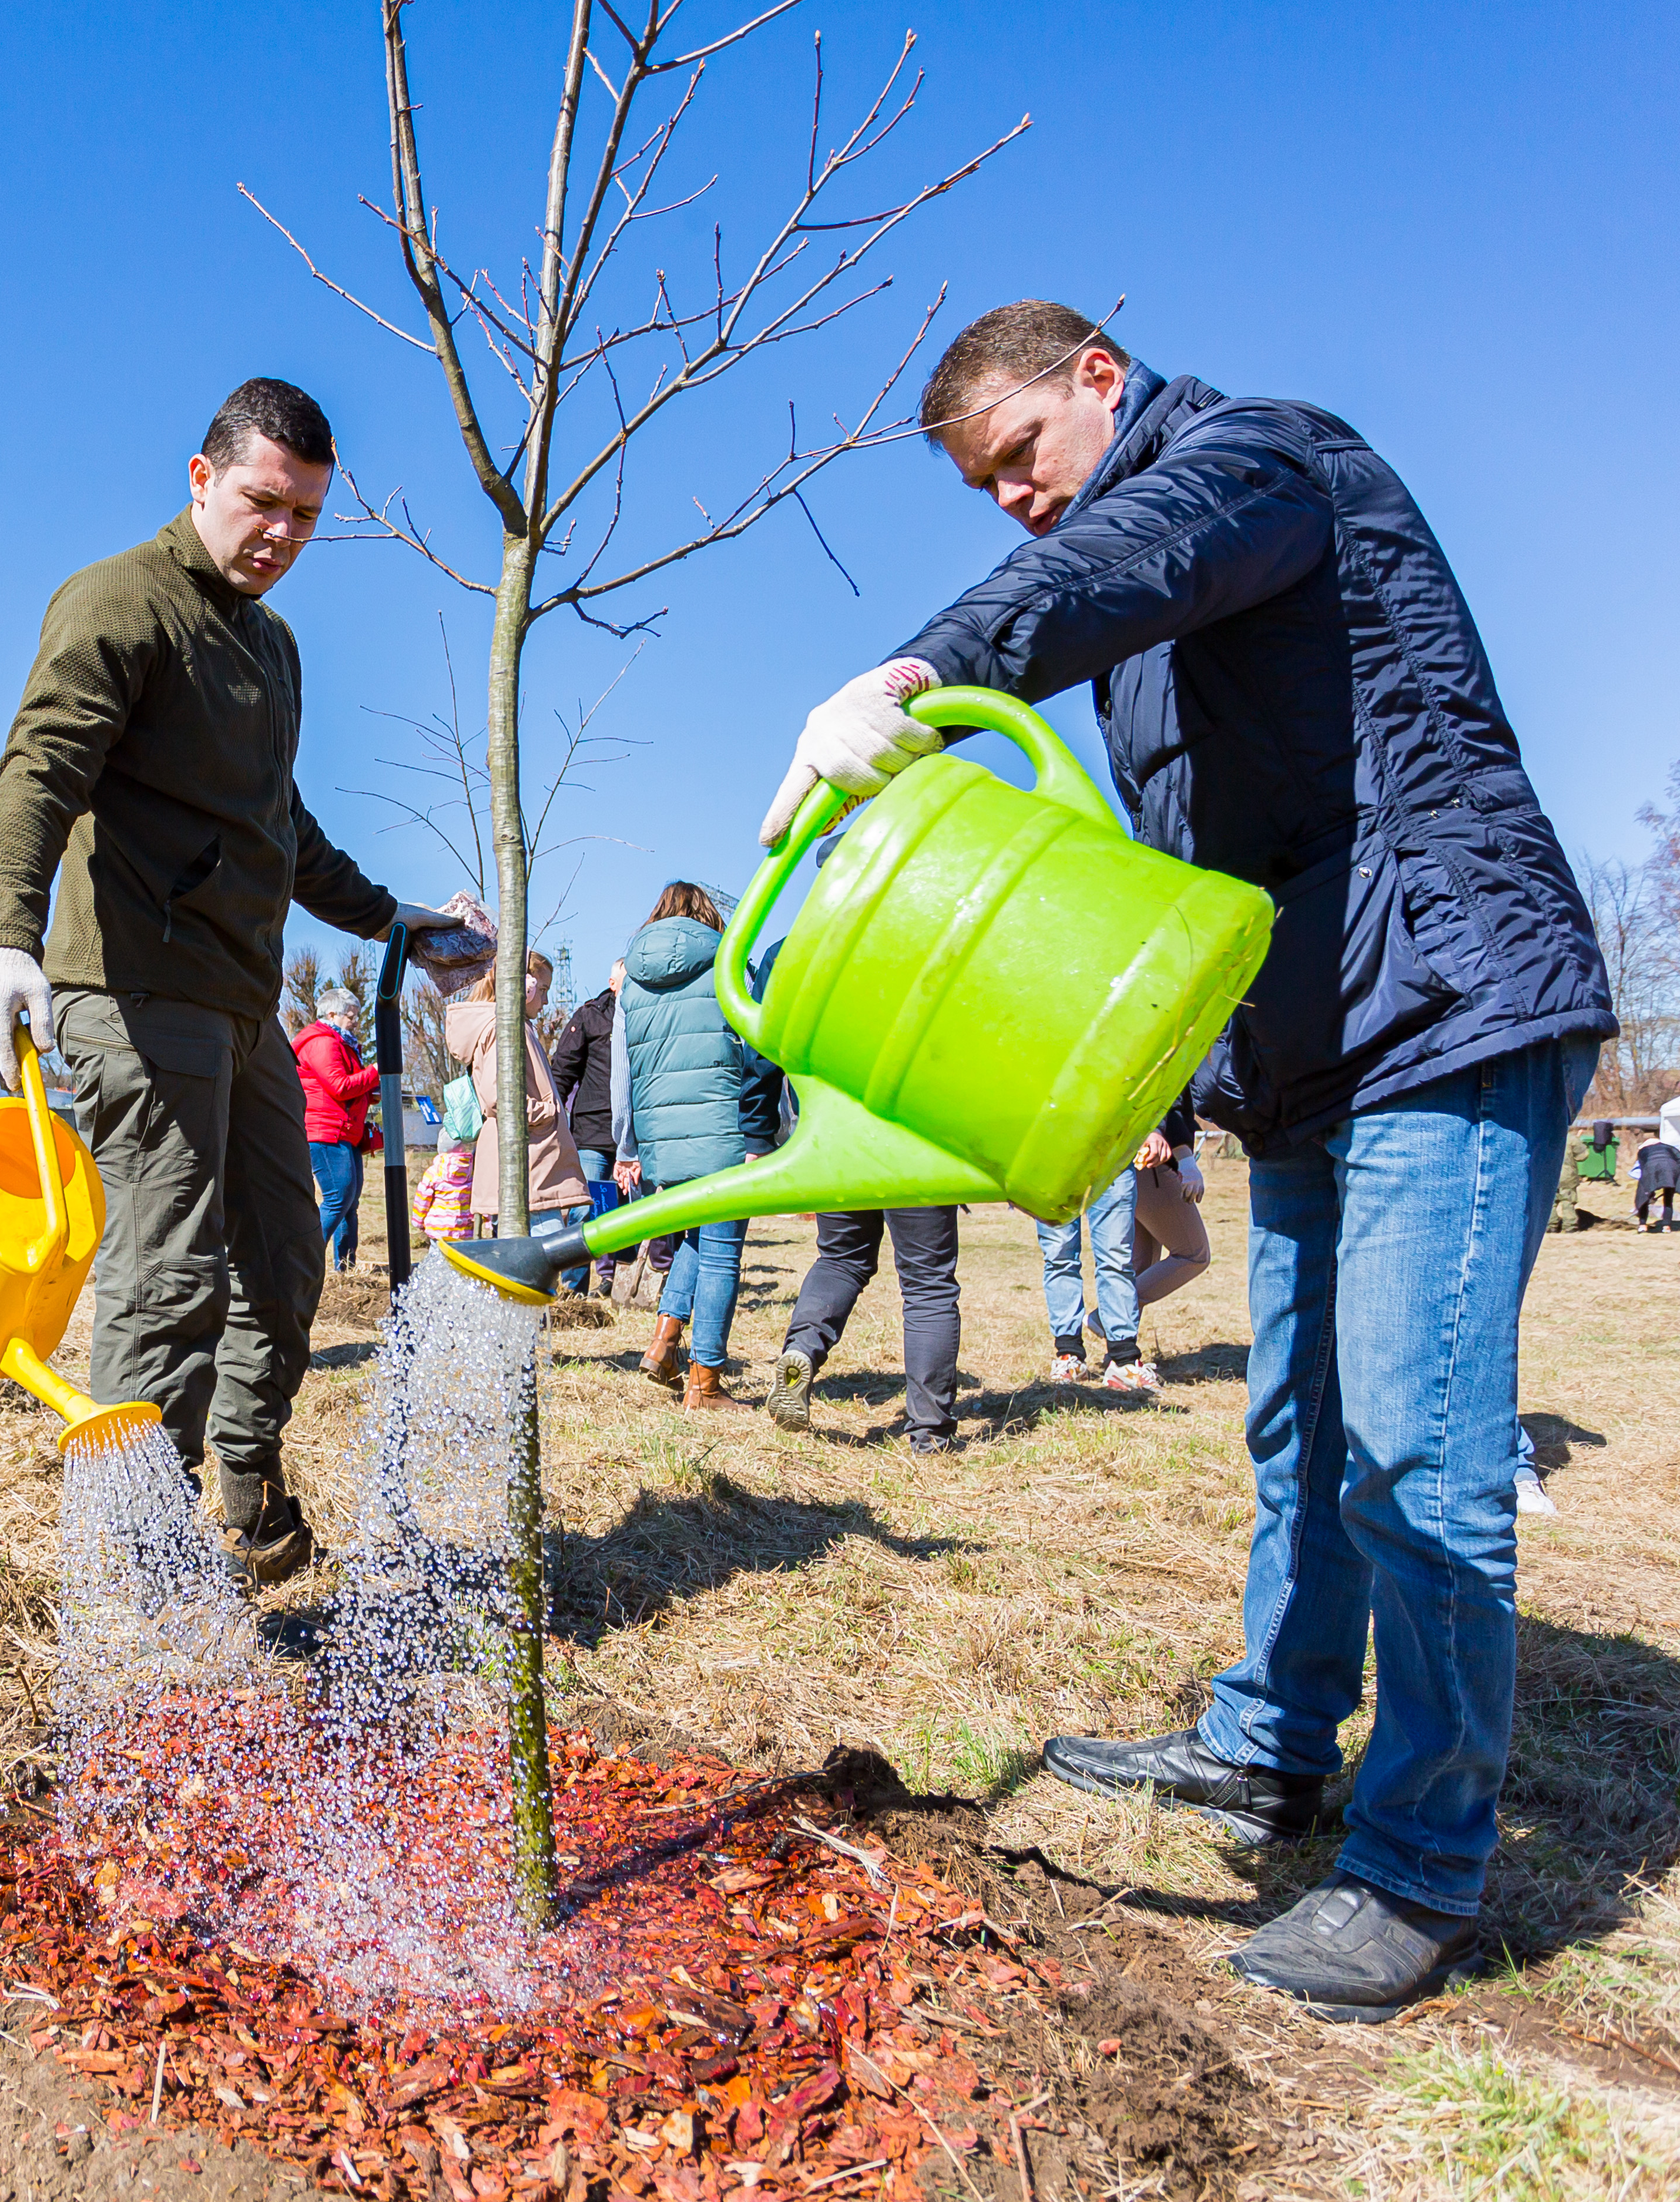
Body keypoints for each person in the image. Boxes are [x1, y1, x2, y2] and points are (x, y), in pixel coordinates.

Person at [766, 302, 1614, 2020]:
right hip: (1309, 1052)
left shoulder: (1254, 460)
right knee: (1299, 1424)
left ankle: (1423, 1865)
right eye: (982, 485)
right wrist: (1170, 1110)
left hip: (1446, 1000)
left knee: (1421, 1450)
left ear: (1102, 375)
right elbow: (1187, 886)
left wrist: (919, 668)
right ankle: (1272, 1746)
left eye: (1023, 455)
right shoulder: (1134, 602)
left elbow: (1124, 562)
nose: (1014, 499)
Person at [0, 378, 462, 1584]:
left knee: (289, 1267)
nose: (281, 535)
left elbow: (281, 829)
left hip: (245, 1009)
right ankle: (134, 1571)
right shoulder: (119, 603)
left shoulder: (273, 647)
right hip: (133, 987)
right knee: (172, 1270)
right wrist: (1, 938)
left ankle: (246, 1497)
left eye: (305, 516)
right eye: (261, 503)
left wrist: (397, 920)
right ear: (201, 480)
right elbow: (41, 770)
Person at [622, 882, 784, 1409]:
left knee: (696, 1236)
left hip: (660, 1134)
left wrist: (633, 1143)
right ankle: (705, 1382)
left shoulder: (632, 979)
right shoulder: (728, 962)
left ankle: (663, 1345)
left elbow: (626, 1067)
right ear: (707, 916)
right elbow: (757, 1041)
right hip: (720, 1125)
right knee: (721, 1251)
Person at [769, 1205, 965, 1450]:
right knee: (927, 1284)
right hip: (920, 1170)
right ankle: (930, 1437)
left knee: (840, 1260)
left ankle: (802, 1349)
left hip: (841, 1167)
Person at [450, 951, 592, 1241]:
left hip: (532, 1163)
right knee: (541, 1261)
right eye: (542, 990)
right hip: (529, 1165)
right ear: (522, 987)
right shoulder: (504, 1029)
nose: (546, 1001)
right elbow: (500, 1098)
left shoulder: (512, 1026)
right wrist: (549, 1113)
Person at [549, 964, 629, 1295]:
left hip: (635, 1133)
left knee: (629, 1211)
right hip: (593, 1130)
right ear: (612, 982)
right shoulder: (590, 1016)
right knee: (586, 1208)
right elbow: (563, 1071)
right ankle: (574, 1288)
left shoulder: (646, 1015)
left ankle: (618, 1282)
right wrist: (553, 1124)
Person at [1038, 1170, 1153, 1390]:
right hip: (1053, 1159)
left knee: (1117, 1258)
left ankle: (1124, 1361)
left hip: (1113, 1153)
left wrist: (1155, 1133)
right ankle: (1069, 1356)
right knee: (1059, 1256)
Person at [293, 987, 380, 1271]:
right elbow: (340, 1086)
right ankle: (303, 1263)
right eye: (351, 1016)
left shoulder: (342, 1043)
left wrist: (369, 1093)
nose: (356, 1022)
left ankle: (345, 1267)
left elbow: (349, 1086)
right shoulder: (323, 1043)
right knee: (338, 1197)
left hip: (346, 1133)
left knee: (349, 1202)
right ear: (331, 1014)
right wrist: (377, 1071)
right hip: (326, 1132)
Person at [1131, 1107, 1213, 1311]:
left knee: (1142, 1264)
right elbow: (1170, 1104)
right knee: (1194, 1254)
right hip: (1153, 1159)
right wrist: (1184, 1157)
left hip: (1135, 1154)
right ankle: (1110, 1315)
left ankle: (1122, 1340)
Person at [1630, 1126, 1680, 1232]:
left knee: (1643, 1197)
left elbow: (1641, 1171)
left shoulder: (1643, 1152)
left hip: (1652, 1169)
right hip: (1671, 1170)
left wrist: (1648, 1194)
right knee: (1668, 1199)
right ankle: (1666, 1226)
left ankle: (1642, 1225)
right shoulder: (1670, 1148)